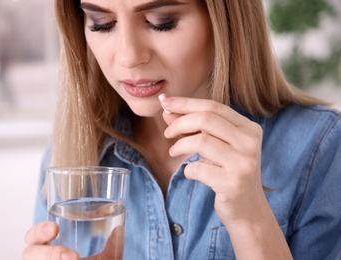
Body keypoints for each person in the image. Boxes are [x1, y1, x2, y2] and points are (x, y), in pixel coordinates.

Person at [23, 0, 341, 259]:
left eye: (161, 21)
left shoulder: (321, 147)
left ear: (224, 19)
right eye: (101, 23)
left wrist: (250, 219)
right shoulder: (71, 152)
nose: (128, 56)